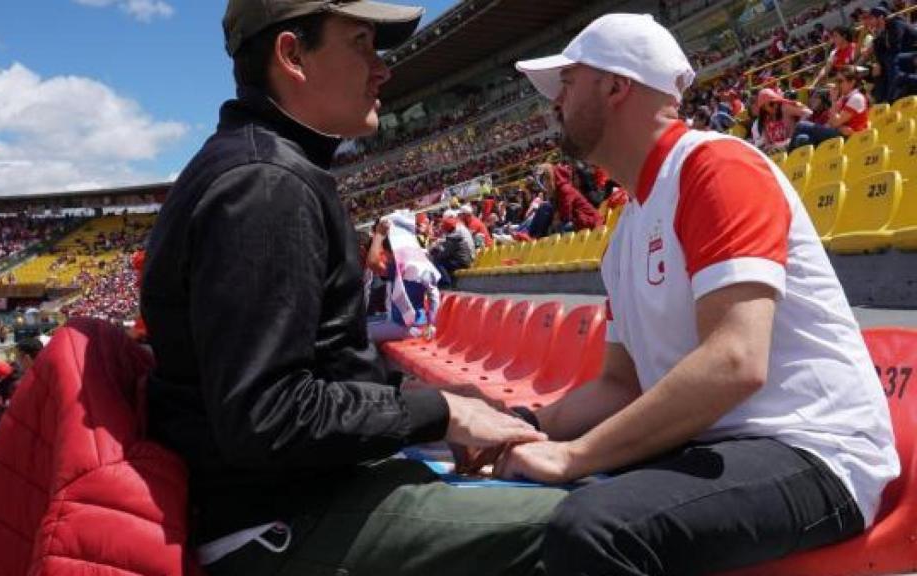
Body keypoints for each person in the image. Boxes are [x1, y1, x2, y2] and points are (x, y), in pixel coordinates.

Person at [139, 1, 565, 575]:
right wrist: (437, 414)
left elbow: (329, 365)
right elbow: (268, 416)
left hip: (298, 503)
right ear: (292, 55)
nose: (382, 67)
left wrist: (458, 409)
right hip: (279, 525)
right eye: (361, 43)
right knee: (598, 521)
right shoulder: (266, 186)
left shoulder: (267, 168)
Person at [509, 13, 898, 575]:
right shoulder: (625, 231)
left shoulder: (715, 166)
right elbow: (620, 385)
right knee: (522, 509)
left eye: (568, 83)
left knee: (595, 529)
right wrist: (525, 425)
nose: (556, 103)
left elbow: (735, 361)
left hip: (814, 451)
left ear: (616, 86)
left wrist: (574, 455)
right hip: (719, 445)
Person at [366, 212, 441, 343]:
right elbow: (434, 294)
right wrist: (431, 323)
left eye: (386, 253)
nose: (386, 258)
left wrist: (379, 235)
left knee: (354, 332)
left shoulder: (399, 266)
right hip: (415, 324)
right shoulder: (419, 262)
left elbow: (372, 262)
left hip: (403, 326)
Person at [791, 67, 870, 150]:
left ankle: (788, 158)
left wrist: (833, 100)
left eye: (840, 81)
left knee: (801, 125)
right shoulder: (844, 98)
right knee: (801, 139)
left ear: (852, 82)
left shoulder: (856, 98)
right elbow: (831, 122)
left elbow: (835, 122)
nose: (837, 84)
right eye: (836, 81)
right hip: (840, 133)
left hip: (850, 138)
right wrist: (838, 126)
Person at [865, 6, 917, 101]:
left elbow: (896, 48)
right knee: (878, 69)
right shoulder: (883, 32)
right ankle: (884, 101)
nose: (869, 22)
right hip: (901, 59)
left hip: (913, 54)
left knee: (890, 60)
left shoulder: (896, 23)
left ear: (880, 18)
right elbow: (880, 56)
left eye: (871, 18)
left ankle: (894, 94)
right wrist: (876, 38)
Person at [751, 88, 812, 153]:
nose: (775, 106)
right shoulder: (764, 121)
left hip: (792, 144)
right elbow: (767, 143)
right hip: (778, 152)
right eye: (771, 104)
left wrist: (798, 126)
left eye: (775, 102)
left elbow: (807, 112)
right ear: (763, 108)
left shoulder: (785, 108)